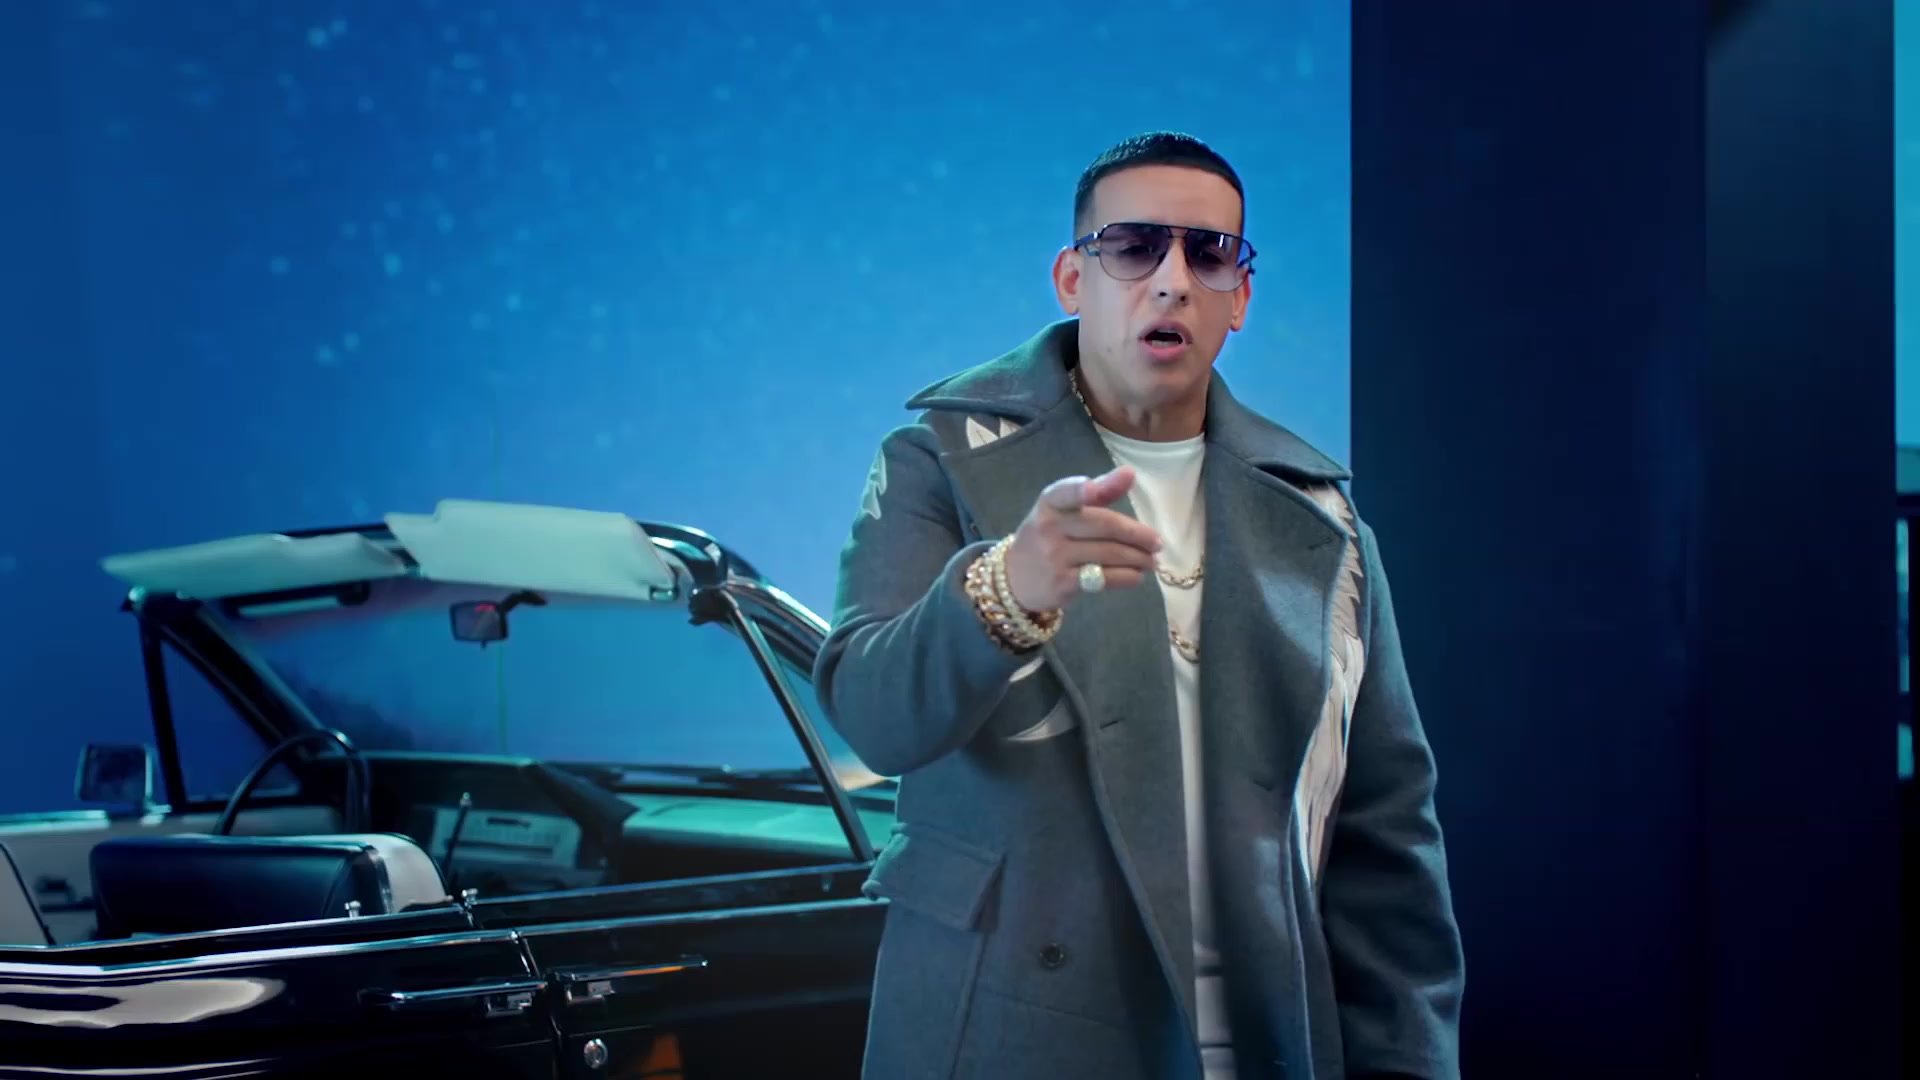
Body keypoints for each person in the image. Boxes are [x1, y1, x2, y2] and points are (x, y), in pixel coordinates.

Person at [814, 131, 1464, 1080]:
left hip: (1264, 1042)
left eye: (1209, 254)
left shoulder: (1325, 521)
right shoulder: (942, 458)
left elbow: (1388, 838)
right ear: (1072, 278)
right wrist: (1006, 590)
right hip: (1009, 1038)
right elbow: (871, 718)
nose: (1172, 282)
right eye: (1133, 247)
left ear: (1240, 297)